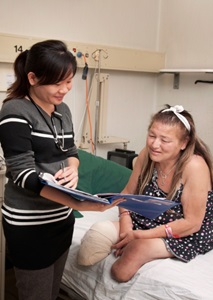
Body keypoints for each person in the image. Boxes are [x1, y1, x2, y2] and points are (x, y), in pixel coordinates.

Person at [0, 40, 122, 300]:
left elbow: (71, 152)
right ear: (32, 78)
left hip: (61, 221)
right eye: (58, 83)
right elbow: (23, 176)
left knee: (52, 293)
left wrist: (74, 169)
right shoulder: (15, 111)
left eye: (69, 81)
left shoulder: (63, 111)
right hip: (30, 225)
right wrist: (81, 204)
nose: (65, 89)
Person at [77, 104, 213, 283]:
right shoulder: (147, 155)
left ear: (183, 143)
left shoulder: (194, 166)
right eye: (152, 136)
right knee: (94, 239)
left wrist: (140, 236)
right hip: (150, 219)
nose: (155, 145)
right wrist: (126, 227)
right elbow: (126, 194)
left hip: (183, 230)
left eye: (164, 140)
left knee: (121, 270)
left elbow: (192, 223)